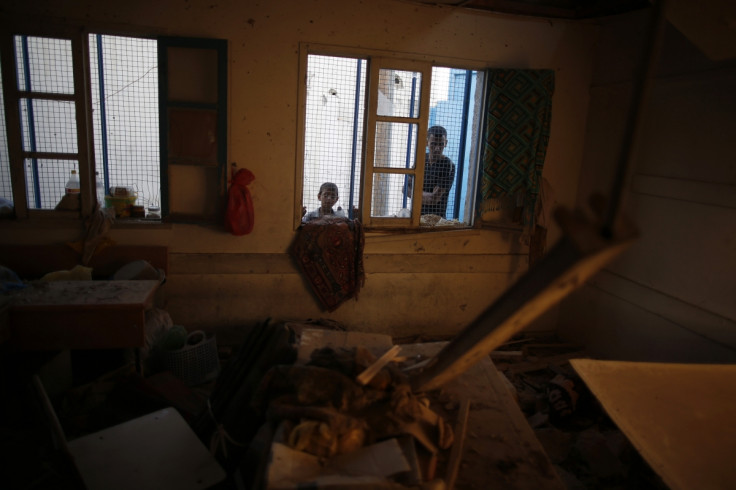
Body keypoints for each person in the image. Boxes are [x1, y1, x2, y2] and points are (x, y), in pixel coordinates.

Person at [420, 125, 455, 216]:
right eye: (433, 144)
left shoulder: (448, 165)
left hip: (436, 219)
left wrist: (414, 192)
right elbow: (405, 189)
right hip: (417, 215)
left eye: (441, 144)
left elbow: (434, 199)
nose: (437, 148)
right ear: (426, 142)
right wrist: (427, 196)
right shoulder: (421, 159)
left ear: (446, 143)